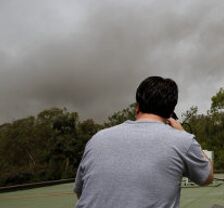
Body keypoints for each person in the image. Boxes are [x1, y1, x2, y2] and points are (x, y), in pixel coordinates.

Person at [74, 76, 214, 208]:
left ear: (137, 107)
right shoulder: (183, 140)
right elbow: (206, 177)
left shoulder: (97, 138)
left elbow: (81, 192)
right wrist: (184, 133)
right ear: (171, 112)